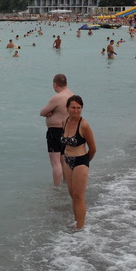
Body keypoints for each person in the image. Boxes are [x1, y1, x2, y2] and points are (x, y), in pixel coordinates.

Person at [60, 95, 96, 229]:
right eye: (73, 108)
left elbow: (93, 148)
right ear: (67, 108)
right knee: (72, 196)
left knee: (78, 196)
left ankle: (80, 229)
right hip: (67, 161)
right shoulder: (64, 122)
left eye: (79, 108)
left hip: (81, 160)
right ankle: (77, 222)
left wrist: (85, 162)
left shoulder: (84, 125)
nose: (76, 111)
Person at [39, 74, 73, 186]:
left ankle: (57, 188)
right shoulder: (72, 96)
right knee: (64, 160)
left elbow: (42, 112)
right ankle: (66, 183)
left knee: (55, 162)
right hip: (67, 130)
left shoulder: (58, 97)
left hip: (55, 132)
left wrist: (49, 113)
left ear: (55, 84)